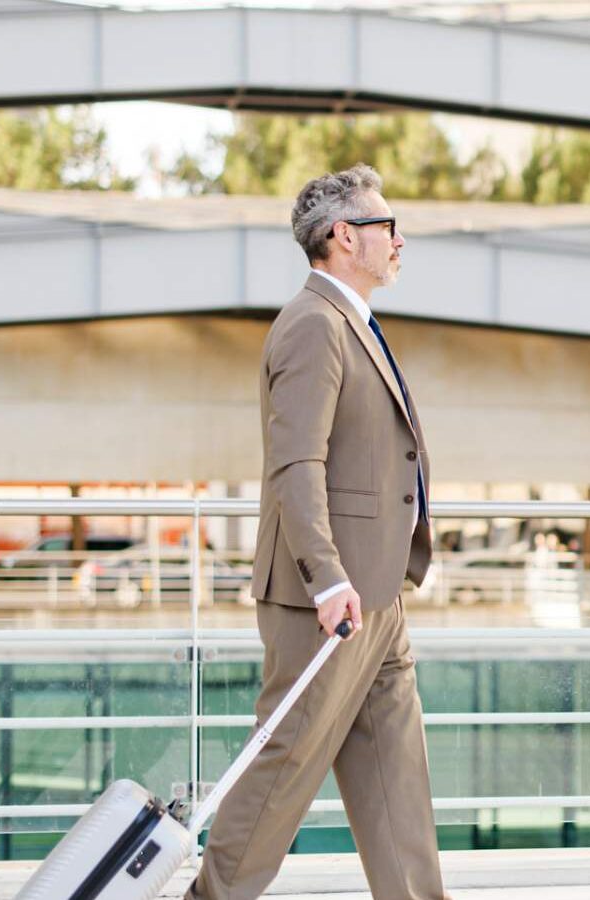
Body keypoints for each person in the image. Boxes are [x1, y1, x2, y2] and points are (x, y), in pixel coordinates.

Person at [186, 163, 447, 900]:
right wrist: (328, 576)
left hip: (380, 595)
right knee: (282, 773)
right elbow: (296, 465)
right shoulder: (311, 326)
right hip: (327, 602)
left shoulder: (349, 322)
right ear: (343, 236)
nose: (400, 241)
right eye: (388, 227)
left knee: (397, 779)